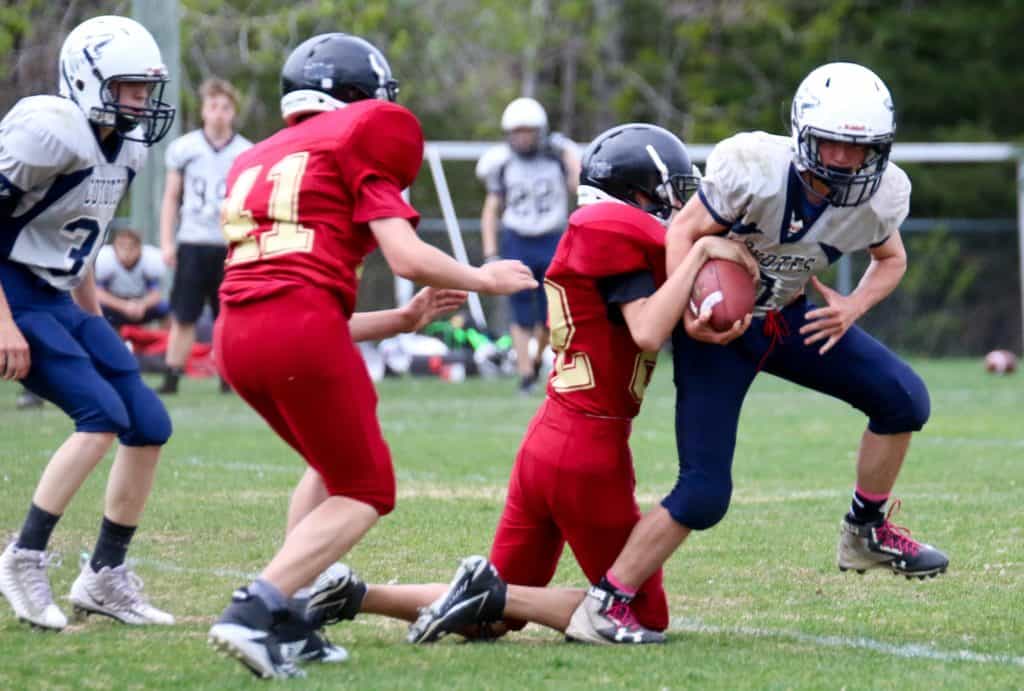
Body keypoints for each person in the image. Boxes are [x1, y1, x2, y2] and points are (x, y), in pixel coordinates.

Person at [299, 125, 756, 646]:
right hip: (588, 449)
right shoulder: (612, 230)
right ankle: (490, 590)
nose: (681, 209)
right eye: (672, 192)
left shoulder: (606, 234)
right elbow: (648, 327)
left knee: (488, 623)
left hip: (550, 437)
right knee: (635, 614)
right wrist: (701, 254)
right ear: (637, 193)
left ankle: (354, 594)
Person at [569, 62, 949, 643]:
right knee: (703, 493)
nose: (845, 161)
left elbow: (890, 258)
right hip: (720, 330)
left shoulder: (881, 196)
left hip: (791, 318)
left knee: (904, 400)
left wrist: (852, 306)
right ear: (802, 132)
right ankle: (606, 602)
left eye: (859, 149)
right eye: (832, 145)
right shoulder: (755, 168)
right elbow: (680, 234)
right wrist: (691, 313)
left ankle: (864, 533)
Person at [205, 32, 537, 679]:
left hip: (237, 334)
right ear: (356, 99)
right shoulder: (356, 135)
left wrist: (406, 319)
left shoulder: (262, 156)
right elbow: (407, 258)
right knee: (365, 487)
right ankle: (256, 606)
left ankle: (291, 617)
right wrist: (484, 279)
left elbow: (292, 298)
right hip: (296, 325)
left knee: (329, 465)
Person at [0, 15, 176, 631]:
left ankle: (104, 577)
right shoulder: (50, 132)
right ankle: (22, 556)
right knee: (100, 416)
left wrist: (96, 326)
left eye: (146, 89)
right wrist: (3, 323)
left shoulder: (125, 145)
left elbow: (83, 241)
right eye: (130, 87)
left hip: (62, 296)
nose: (142, 101)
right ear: (88, 78)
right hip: (14, 291)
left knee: (149, 422)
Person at [477, 97, 580, 394]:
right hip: (517, 240)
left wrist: (569, 155)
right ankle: (525, 375)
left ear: (541, 131)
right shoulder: (502, 163)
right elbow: (491, 209)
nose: (522, 138)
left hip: (552, 238)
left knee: (552, 315)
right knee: (520, 311)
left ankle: (536, 361)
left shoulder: (558, 157)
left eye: (528, 131)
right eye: (517, 131)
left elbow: (577, 185)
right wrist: (490, 253)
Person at [158, 77, 251, 394]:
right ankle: (172, 375)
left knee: (229, 316)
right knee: (184, 314)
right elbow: (171, 197)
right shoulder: (185, 148)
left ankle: (230, 376)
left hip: (229, 243)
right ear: (203, 111)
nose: (219, 113)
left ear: (233, 112)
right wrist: (168, 241)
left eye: (225, 107)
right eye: (213, 106)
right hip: (193, 241)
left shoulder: (245, 151)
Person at [95, 227, 169, 329]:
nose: (126, 252)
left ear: (139, 248)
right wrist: (124, 306)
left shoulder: (149, 262)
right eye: (122, 246)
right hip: (115, 306)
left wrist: (142, 305)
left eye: (131, 246)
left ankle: (164, 341)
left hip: (141, 306)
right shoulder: (106, 261)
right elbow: (99, 293)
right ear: (114, 248)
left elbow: (156, 294)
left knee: (166, 309)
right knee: (93, 310)